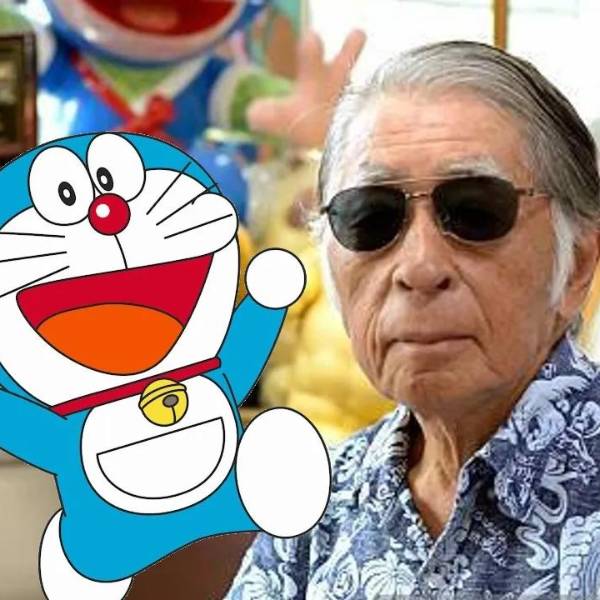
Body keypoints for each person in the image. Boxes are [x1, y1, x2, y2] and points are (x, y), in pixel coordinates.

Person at [225, 40, 600, 599]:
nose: (419, 267)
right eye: (370, 217)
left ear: (579, 264)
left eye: (475, 211)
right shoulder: (320, 504)